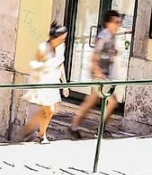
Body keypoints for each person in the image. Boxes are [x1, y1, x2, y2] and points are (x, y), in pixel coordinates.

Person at [68, 10, 123, 139]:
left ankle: (73, 127)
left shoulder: (111, 36)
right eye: (115, 22)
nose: (118, 24)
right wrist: (98, 74)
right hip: (101, 76)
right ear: (107, 23)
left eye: (119, 22)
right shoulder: (103, 36)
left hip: (103, 75)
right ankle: (99, 130)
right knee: (113, 102)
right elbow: (94, 57)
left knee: (89, 103)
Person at [17, 22, 69, 144]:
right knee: (50, 109)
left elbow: (60, 64)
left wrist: (64, 83)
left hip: (53, 81)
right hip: (41, 81)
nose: (63, 40)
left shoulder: (61, 47)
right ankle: (40, 134)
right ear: (55, 37)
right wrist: (44, 67)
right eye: (62, 38)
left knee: (49, 110)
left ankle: (31, 131)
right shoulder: (42, 48)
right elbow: (34, 65)